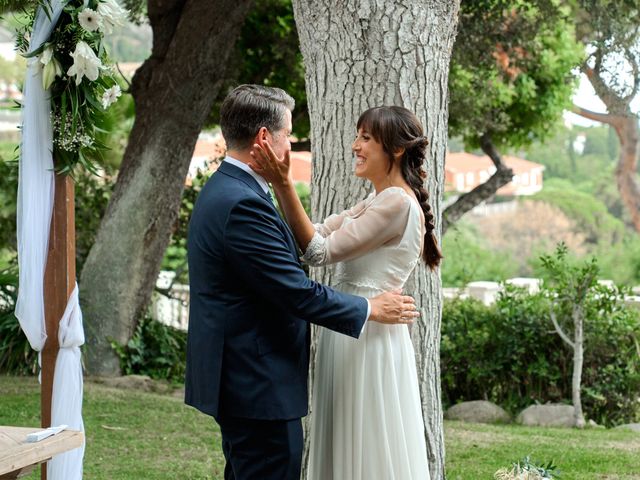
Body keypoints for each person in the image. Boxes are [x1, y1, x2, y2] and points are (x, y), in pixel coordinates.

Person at [185, 85, 420, 480]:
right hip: (255, 379)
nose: (290, 142)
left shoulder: (233, 190)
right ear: (265, 138)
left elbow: (308, 251)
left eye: (366, 137)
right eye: (288, 135)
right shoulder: (242, 201)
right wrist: (368, 308)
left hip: (257, 376)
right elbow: (295, 288)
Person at [250, 105, 443, 480]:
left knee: (366, 441)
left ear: (397, 149)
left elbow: (317, 252)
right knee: (348, 437)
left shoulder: (396, 202)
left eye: (366, 138)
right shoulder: (377, 199)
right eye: (357, 136)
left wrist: (284, 183)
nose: (355, 145)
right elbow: (316, 231)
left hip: (368, 339)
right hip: (353, 331)